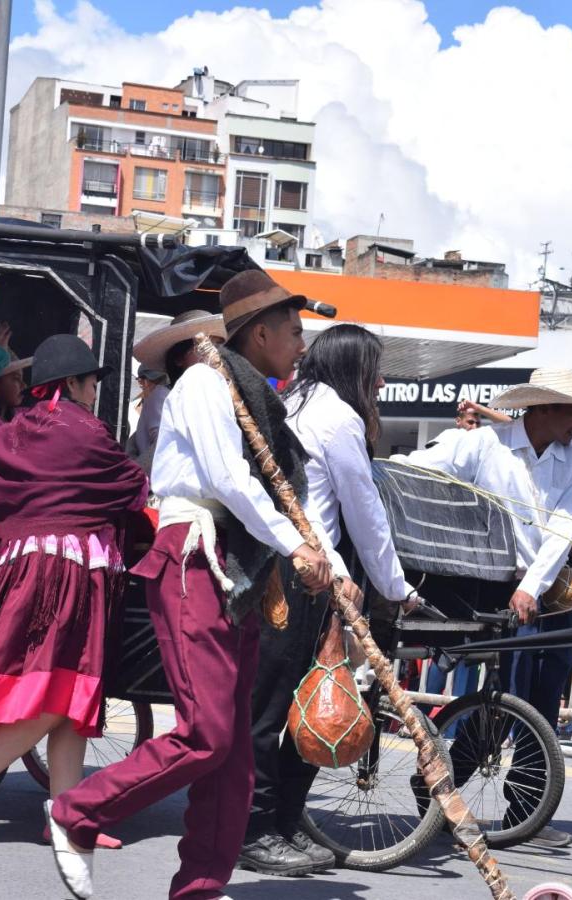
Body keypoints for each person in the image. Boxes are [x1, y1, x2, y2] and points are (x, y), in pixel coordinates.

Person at [47, 270, 336, 900]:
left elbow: (283, 498)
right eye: (293, 332)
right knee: (206, 733)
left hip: (240, 573)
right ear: (258, 332)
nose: (301, 345)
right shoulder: (206, 383)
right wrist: (297, 547)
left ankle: (199, 888)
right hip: (195, 557)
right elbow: (230, 481)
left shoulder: (257, 397)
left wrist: (329, 564)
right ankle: (77, 812)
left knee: (233, 759)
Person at [0, 334, 148, 849]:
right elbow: (132, 486)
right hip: (65, 578)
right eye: (91, 381)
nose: (95, 390)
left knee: (71, 698)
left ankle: (67, 817)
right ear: (72, 383)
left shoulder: (25, 428)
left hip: (37, 573)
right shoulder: (86, 432)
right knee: (59, 695)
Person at [401, 367, 572, 847]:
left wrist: (534, 587)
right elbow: (417, 467)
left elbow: (564, 526)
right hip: (494, 589)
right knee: (506, 697)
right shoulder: (483, 445)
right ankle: (442, 785)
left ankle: (525, 809)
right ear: (542, 409)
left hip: (551, 591)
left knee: (542, 695)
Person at [240, 323, 421, 876]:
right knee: (279, 707)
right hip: (304, 576)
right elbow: (364, 513)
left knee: (288, 703)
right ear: (354, 371)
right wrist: (396, 588)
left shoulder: (293, 401)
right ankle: (258, 829)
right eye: (375, 370)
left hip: (287, 567)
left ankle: (286, 822)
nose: (382, 382)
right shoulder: (336, 416)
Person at [127, 310, 227, 467]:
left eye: (217, 347)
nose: (213, 355)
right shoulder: (163, 398)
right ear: (178, 358)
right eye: (202, 348)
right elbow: (166, 454)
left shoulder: (219, 397)